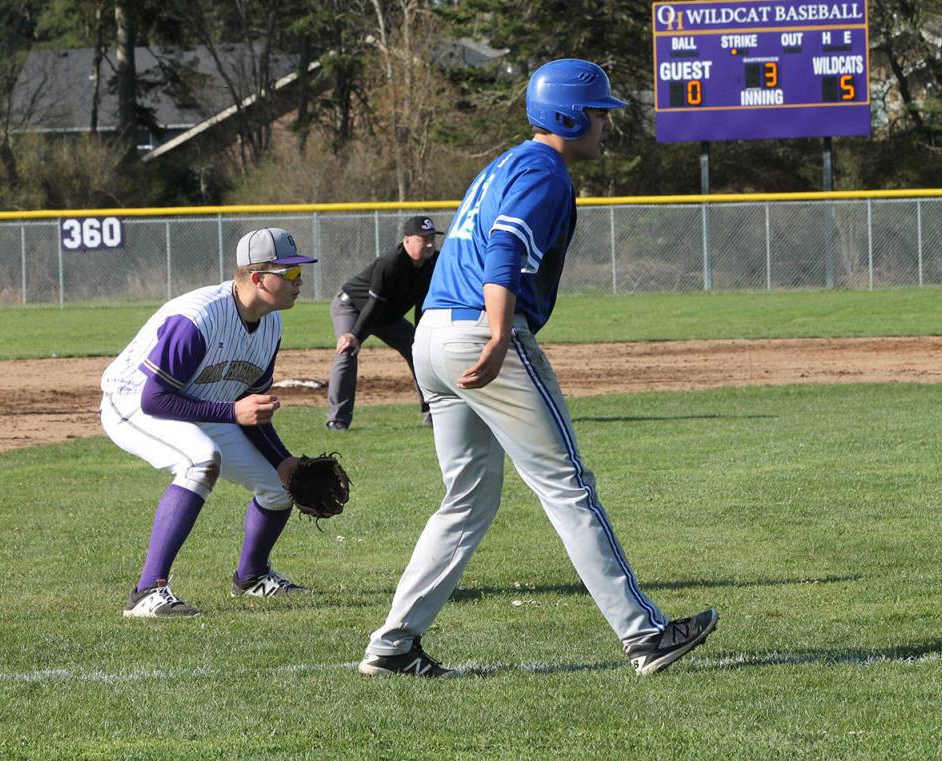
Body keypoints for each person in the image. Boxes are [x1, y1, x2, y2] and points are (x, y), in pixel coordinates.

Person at [358, 59, 718, 677]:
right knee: (567, 486)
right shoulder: (545, 170)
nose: (606, 123)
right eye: (600, 112)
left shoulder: (504, 163)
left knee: (465, 503)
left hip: (434, 338)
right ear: (570, 115)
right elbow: (504, 247)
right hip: (478, 328)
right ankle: (646, 635)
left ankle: (392, 647)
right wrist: (499, 332)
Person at [100, 227, 318, 617]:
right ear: (256, 277)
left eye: (299, 272)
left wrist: (282, 460)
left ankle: (252, 577)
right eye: (289, 273)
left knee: (278, 485)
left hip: (199, 402)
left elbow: (248, 406)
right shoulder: (199, 318)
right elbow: (155, 399)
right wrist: (232, 413)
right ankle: (147, 592)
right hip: (131, 402)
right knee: (200, 459)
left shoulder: (270, 324)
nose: (299, 281)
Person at [326, 216, 442, 431]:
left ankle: (433, 412)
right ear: (407, 240)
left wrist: (422, 335)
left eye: (432, 238)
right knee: (348, 350)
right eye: (423, 238)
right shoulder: (390, 263)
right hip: (352, 307)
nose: (430, 244)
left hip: (387, 316)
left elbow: (422, 303)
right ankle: (337, 419)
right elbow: (373, 304)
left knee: (419, 351)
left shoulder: (434, 262)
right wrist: (356, 336)